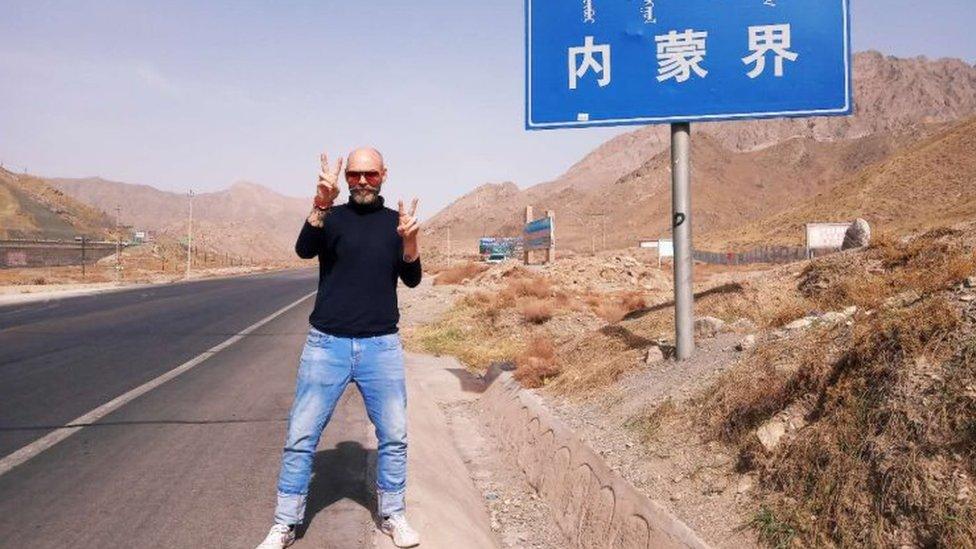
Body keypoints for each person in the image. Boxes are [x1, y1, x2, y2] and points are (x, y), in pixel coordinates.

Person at [256, 147, 422, 548]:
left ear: (384, 174)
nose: (362, 182)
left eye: (370, 174)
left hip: (381, 346)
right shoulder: (330, 218)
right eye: (354, 175)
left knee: (394, 437)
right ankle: (285, 523)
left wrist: (411, 240)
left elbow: (413, 278)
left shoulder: (394, 223)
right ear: (345, 177)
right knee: (301, 436)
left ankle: (393, 514)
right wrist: (320, 203)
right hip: (325, 345)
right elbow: (303, 249)